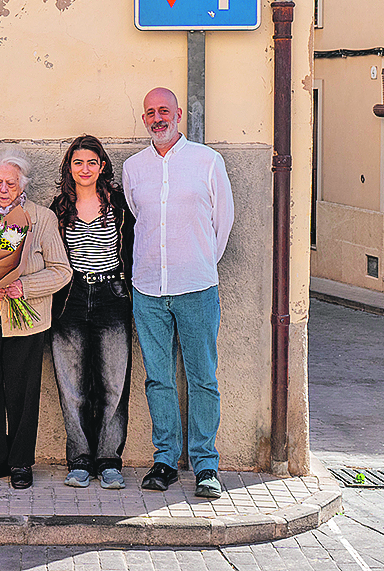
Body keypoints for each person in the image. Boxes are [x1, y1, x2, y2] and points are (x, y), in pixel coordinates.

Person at [122, 88, 234, 499]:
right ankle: (166, 459)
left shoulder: (207, 162)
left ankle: (206, 464)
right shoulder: (133, 168)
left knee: (203, 377)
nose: (156, 118)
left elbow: (222, 223)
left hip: (196, 289)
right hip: (148, 288)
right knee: (159, 379)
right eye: (149, 112)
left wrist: (198, 262)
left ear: (179, 115)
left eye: (163, 110)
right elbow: (138, 219)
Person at [0, 144, 71, 490]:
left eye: (10, 183)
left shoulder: (41, 218)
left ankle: (21, 462)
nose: (3, 190)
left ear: (23, 184)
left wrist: (22, 286)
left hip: (25, 319)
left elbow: (61, 271)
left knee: (22, 392)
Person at [49, 135, 135, 490]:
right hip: (70, 296)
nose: (85, 169)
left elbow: (131, 250)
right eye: (78, 162)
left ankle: (109, 459)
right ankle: (80, 459)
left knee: (113, 382)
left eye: (91, 162)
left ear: (102, 166)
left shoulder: (117, 205)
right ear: (70, 167)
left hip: (111, 295)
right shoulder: (59, 208)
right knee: (72, 385)